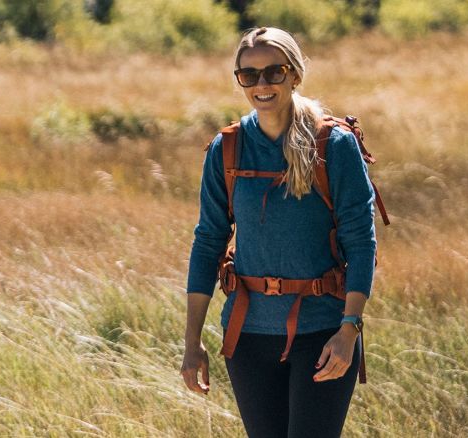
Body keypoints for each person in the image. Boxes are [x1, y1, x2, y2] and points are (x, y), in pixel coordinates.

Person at [181, 26, 377, 438]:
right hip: (247, 337)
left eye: (274, 71)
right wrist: (192, 341)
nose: (262, 84)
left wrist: (349, 328)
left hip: (323, 334)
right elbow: (208, 244)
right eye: (248, 75)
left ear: (295, 74)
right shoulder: (227, 148)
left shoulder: (333, 144)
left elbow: (362, 243)